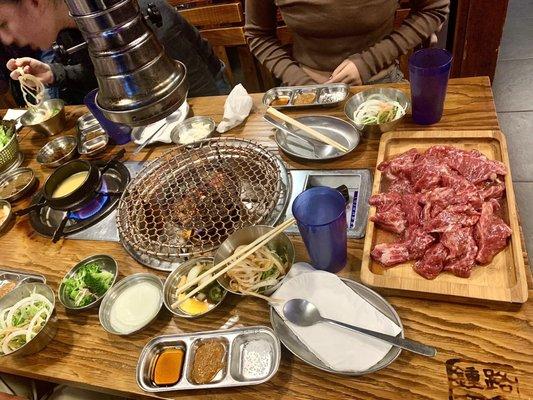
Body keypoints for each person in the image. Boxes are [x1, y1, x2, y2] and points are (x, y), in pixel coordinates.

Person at [0, 0, 230, 104]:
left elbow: (206, 103)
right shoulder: (71, 29)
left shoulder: (139, 19)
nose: (6, 39)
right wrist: (54, 74)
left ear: (35, 2)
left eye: (3, 24)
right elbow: (101, 75)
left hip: (202, 96)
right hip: (146, 104)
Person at [244, 0, 450, 86]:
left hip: (380, 85)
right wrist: (300, 84)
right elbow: (258, 34)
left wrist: (368, 62)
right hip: (303, 90)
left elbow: (434, 8)